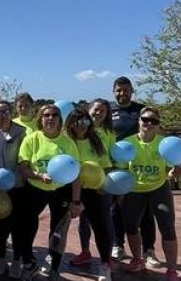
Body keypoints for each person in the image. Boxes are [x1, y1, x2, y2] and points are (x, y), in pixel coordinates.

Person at [16, 104, 82, 281]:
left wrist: (76, 202)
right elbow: (23, 167)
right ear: (40, 118)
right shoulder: (31, 139)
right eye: (46, 115)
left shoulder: (68, 143)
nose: (50, 118)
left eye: (54, 115)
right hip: (35, 189)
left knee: (58, 232)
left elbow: (76, 174)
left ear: (60, 120)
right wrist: (38, 175)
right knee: (26, 227)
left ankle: (53, 268)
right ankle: (29, 263)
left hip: (61, 191)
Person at [119, 107, 181, 281]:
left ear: (158, 125)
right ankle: (137, 260)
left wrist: (173, 173)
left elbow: (172, 167)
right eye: (145, 119)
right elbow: (122, 171)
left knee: (167, 227)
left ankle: (171, 270)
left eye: (154, 121)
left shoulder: (165, 144)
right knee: (131, 227)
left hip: (158, 189)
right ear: (138, 121)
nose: (149, 123)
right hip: (134, 191)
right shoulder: (127, 143)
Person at [109, 76, 156, 264]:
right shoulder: (108, 111)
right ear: (114, 92)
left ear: (132, 91)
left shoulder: (141, 111)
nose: (123, 93)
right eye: (119, 90)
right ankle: (117, 245)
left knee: (145, 211)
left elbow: (158, 132)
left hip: (139, 167)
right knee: (115, 210)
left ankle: (149, 250)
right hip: (115, 168)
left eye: (126, 90)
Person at [64, 108, 114, 281]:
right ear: (70, 123)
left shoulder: (96, 140)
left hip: (95, 191)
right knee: (60, 225)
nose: (81, 126)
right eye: (77, 122)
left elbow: (106, 166)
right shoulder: (65, 141)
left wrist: (103, 184)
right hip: (68, 190)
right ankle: (53, 260)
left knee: (102, 227)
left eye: (85, 121)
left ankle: (105, 264)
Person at [0, 99, 25, 277]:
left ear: (11, 113)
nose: (2, 115)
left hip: (17, 185)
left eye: (5, 111)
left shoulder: (22, 132)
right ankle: (2, 257)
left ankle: (17, 260)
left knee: (17, 224)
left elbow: (26, 157)